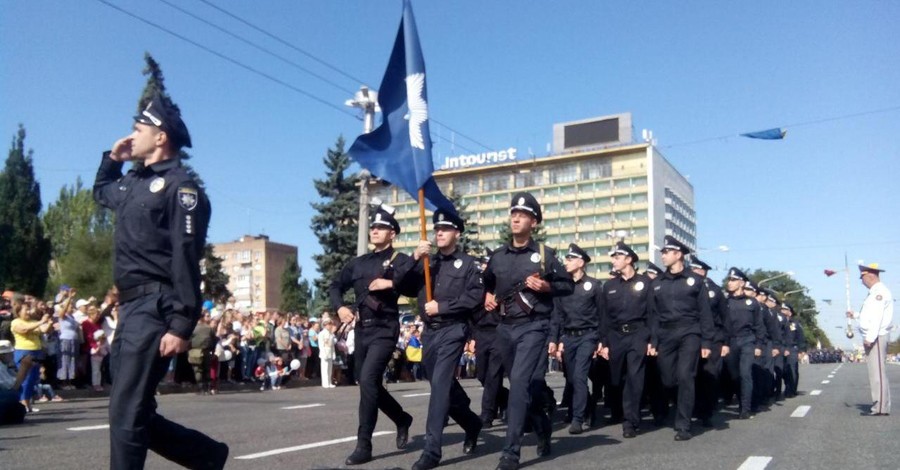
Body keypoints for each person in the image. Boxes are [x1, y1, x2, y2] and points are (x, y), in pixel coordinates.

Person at [93, 92, 228, 469]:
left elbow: (186, 257)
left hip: (156, 305)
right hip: (130, 306)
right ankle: (206, 455)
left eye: (138, 129)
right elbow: (102, 192)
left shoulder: (180, 188)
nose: (131, 135)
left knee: (126, 412)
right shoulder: (135, 181)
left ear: (161, 136)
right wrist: (112, 160)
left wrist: (183, 322)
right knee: (133, 409)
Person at [483, 192, 574, 470]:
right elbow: (486, 281)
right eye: (513, 213)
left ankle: (511, 452)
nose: (515, 217)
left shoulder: (545, 255)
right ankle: (542, 426)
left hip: (534, 327)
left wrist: (547, 287)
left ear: (533, 221)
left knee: (520, 383)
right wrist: (487, 295)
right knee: (522, 388)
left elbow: (567, 285)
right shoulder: (498, 256)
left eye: (522, 214)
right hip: (505, 328)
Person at [330, 204, 416, 466]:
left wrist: (390, 283)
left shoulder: (400, 260)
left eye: (382, 227)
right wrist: (341, 307)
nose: (375, 230)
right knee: (369, 384)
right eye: (374, 227)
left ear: (393, 233)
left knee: (368, 380)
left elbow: (414, 285)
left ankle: (363, 444)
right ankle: (401, 418)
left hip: (385, 328)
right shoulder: (357, 263)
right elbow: (335, 285)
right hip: (362, 329)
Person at [408, 208, 484, 470]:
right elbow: (403, 285)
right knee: (442, 387)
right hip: (430, 331)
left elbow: (475, 297)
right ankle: (471, 423)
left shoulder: (469, 264)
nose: (439, 232)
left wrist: (442, 307)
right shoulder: (429, 262)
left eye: (445, 229)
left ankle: (432, 450)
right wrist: (415, 257)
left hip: (454, 329)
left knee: (440, 385)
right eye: (436, 228)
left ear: (457, 233)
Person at [648, 236, 715, 441]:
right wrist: (653, 341)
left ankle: (683, 425)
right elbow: (653, 315)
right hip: (665, 334)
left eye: (666, 252)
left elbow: (705, 312)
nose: (663, 255)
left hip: (690, 332)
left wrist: (706, 341)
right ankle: (683, 406)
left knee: (686, 375)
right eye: (663, 252)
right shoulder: (657, 283)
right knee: (668, 380)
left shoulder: (695, 280)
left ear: (678, 255)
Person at [549, 243, 603, 435]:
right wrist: (554, 340)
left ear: (581, 262)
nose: (566, 262)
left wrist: (601, 341)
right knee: (572, 379)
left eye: (570, 259)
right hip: (568, 337)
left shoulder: (594, 286)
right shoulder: (561, 287)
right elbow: (557, 317)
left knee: (580, 376)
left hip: (588, 336)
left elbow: (602, 315)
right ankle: (588, 408)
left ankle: (578, 419)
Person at [599, 241, 651, 438]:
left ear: (629, 259)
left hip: (638, 334)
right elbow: (605, 317)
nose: (613, 260)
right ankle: (619, 411)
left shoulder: (645, 283)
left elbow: (651, 313)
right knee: (616, 378)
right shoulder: (609, 286)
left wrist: (651, 339)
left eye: (617, 257)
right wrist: (604, 342)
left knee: (634, 378)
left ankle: (631, 421)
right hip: (616, 336)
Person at [847, 263, 893, 416]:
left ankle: (880, 407)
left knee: (877, 373)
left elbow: (877, 317)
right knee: (875, 372)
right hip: (875, 335)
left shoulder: (879, 292)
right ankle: (880, 405)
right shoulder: (874, 292)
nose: (861, 281)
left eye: (863, 277)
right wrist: (855, 315)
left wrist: (870, 337)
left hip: (876, 336)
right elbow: (869, 315)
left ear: (871, 276)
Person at [689, 256, 729, 427]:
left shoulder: (715, 290)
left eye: (696, 270)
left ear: (703, 272)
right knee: (692, 374)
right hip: (692, 336)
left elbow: (725, 317)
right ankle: (694, 408)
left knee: (710, 374)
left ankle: (708, 411)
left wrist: (726, 342)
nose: (693, 272)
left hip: (713, 338)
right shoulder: (687, 287)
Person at [471, 249, 509, 429]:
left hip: (498, 330)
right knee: (482, 374)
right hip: (480, 331)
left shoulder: (502, 283)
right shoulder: (477, 285)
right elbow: (469, 310)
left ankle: (487, 414)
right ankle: (505, 398)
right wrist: (471, 336)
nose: (484, 267)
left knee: (494, 374)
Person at [723, 269, 765, 419]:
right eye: (729, 280)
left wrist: (759, 345)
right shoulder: (725, 301)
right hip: (730, 341)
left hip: (747, 340)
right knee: (734, 376)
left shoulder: (752, 302)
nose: (730, 283)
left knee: (745, 373)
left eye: (733, 280)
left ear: (741, 283)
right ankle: (741, 401)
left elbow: (759, 326)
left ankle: (745, 408)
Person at [11, 304, 51, 412]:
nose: (28, 312)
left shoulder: (33, 322)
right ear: (19, 312)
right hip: (24, 352)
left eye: (29, 309)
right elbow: (23, 330)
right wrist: (41, 321)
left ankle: (27, 403)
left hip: (36, 352)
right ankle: (22, 403)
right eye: (26, 310)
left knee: (33, 379)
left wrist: (49, 323)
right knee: (25, 379)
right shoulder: (16, 322)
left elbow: (43, 330)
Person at [780, 303, 805, 398]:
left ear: (789, 312)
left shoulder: (795, 324)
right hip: (781, 348)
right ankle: (787, 386)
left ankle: (791, 389)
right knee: (782, 370)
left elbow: (800, 338)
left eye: (784, 309)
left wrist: (801, 350)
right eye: (781, 309)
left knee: (792, 370)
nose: (782, 311)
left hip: (792, 349)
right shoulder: (778, 321)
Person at [318, 318, 336, 389]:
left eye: (330, 324)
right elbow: (321, 345)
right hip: (324, 352)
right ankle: (325, 383)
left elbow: (332, 345)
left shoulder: (331, 334)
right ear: (324, 325)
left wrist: (333, 353)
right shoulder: (321, 333)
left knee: (329, 369)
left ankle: (329, 382)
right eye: (328, 324)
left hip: (330, 353)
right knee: (325, 369)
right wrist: (323, 353)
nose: (330, 326)